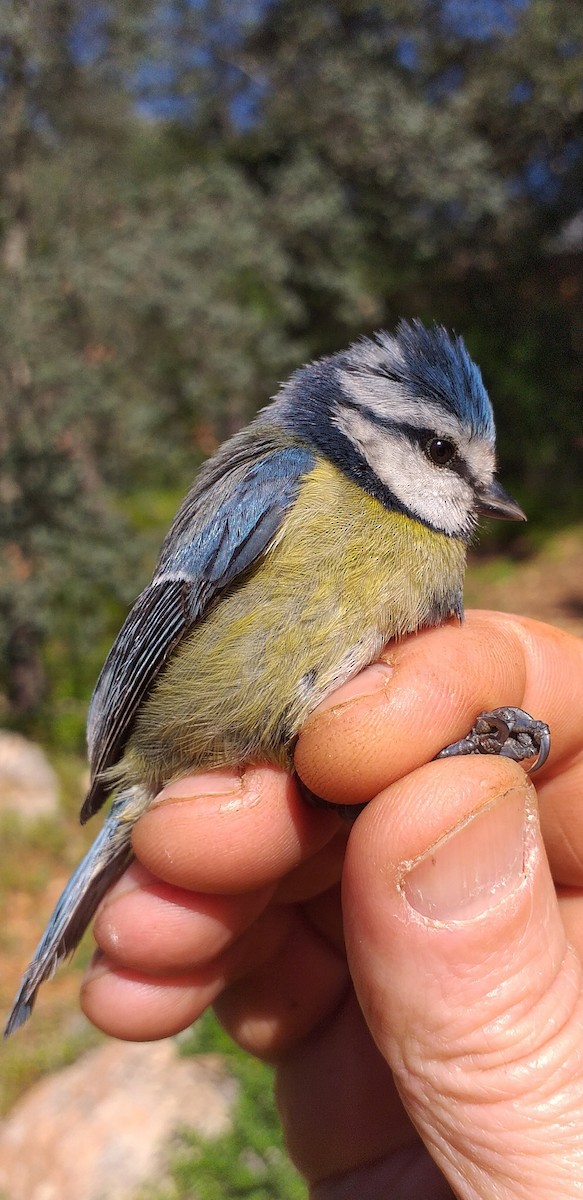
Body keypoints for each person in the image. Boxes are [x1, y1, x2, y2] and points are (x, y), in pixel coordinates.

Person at [80, 611, 583, 1199]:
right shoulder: (315, 517)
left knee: (360, 757)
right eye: (466, 507)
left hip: (326, 764)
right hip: (223, 729)